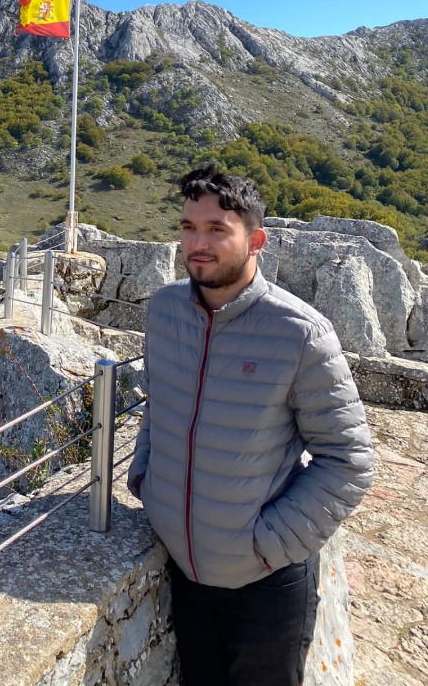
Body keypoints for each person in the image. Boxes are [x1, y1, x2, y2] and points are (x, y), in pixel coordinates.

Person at [127, 164, 374, 686]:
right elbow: (160, 403)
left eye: (217, 230)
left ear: (255, 240)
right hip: (185, 572)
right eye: (189, 227)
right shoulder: (165, 310)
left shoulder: (301, 333)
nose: (198, 243)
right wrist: (145, 481)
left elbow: (348, 461)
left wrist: (267, 544)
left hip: (267, 588)